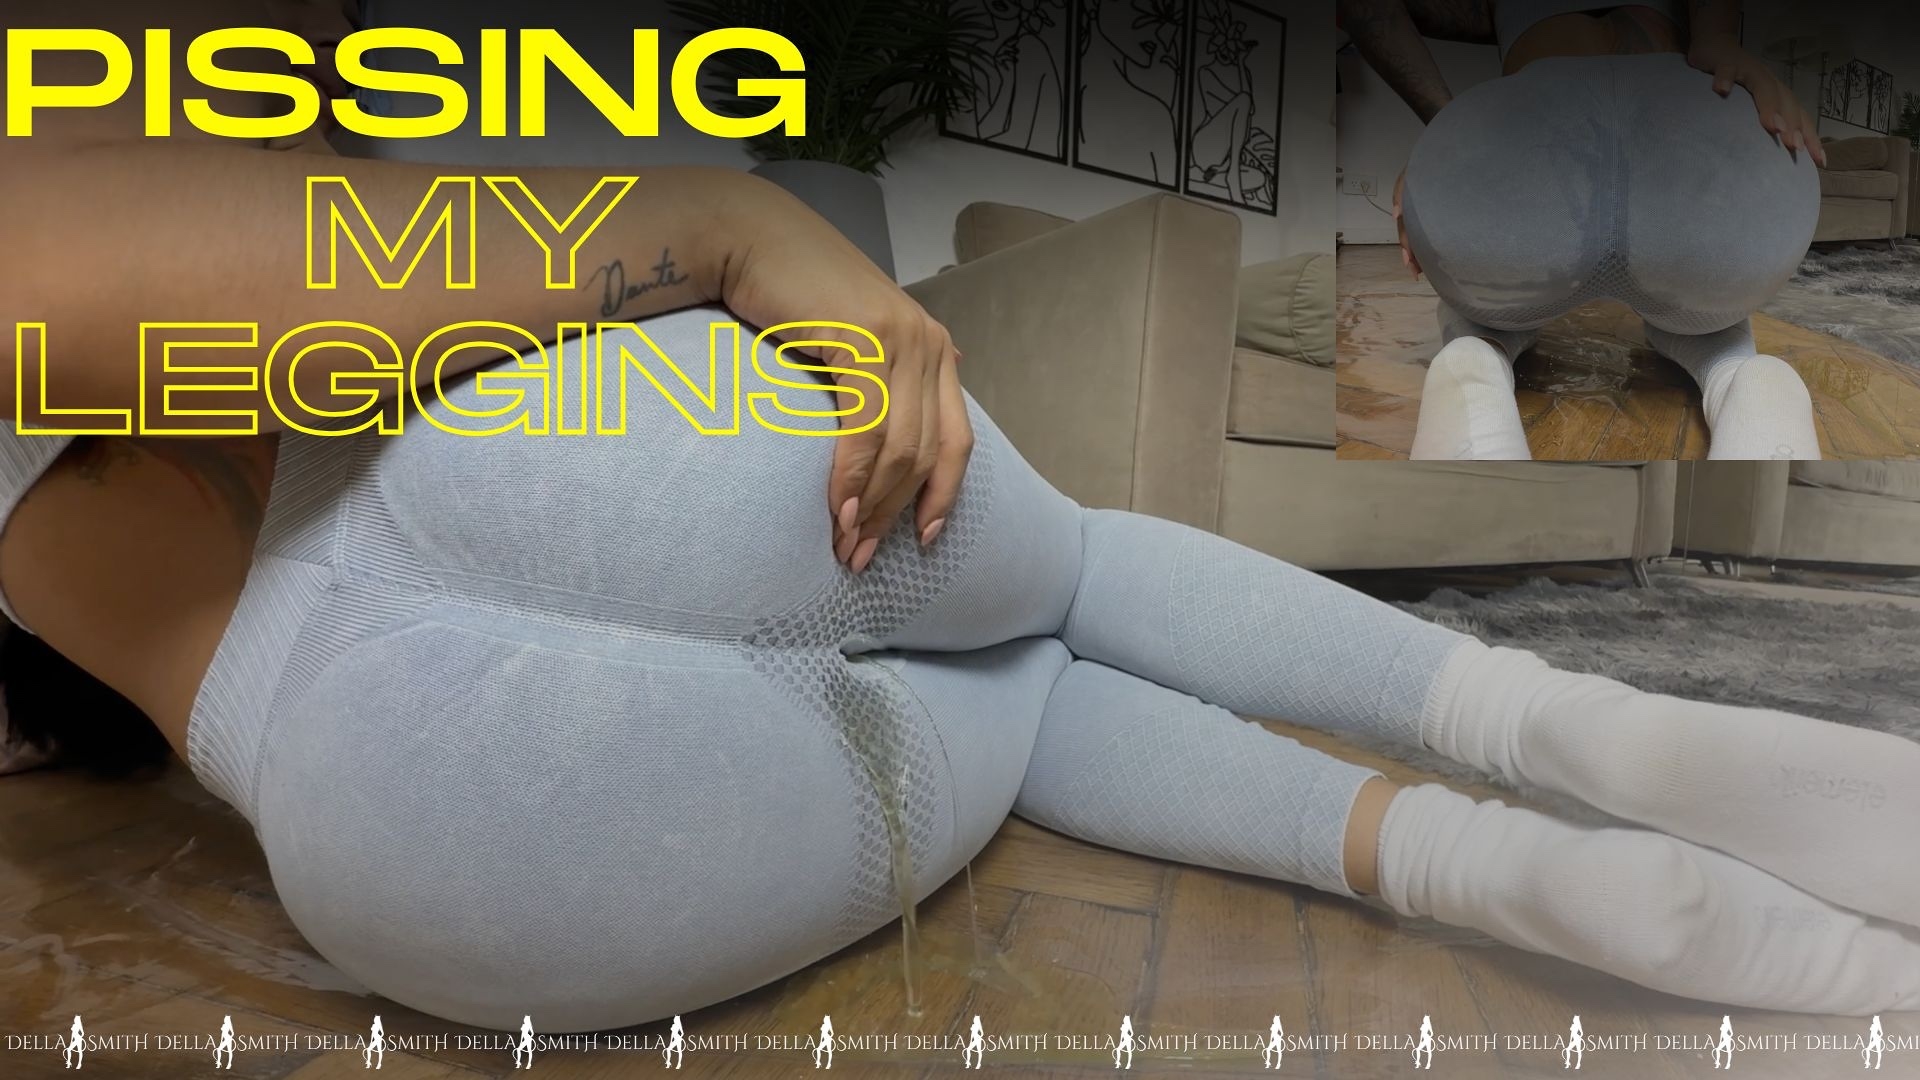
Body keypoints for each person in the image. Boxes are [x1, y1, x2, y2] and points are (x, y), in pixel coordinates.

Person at [5, 0, 1919, 1039]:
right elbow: (159, 279)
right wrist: (726, 220)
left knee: (1016, 689)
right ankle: (1559, 736)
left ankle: (1462, 859)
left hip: (431, 841)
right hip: (554, 455)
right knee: (1058, 578)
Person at [1340, 0, 1825, 460]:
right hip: (1691, 149)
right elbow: (1710, 43)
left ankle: (1470, 363)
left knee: (1482, 322)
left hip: (1531, 160)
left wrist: (1447, 129)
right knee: (1714, 316)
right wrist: (1717, 36)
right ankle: (1747, 377)